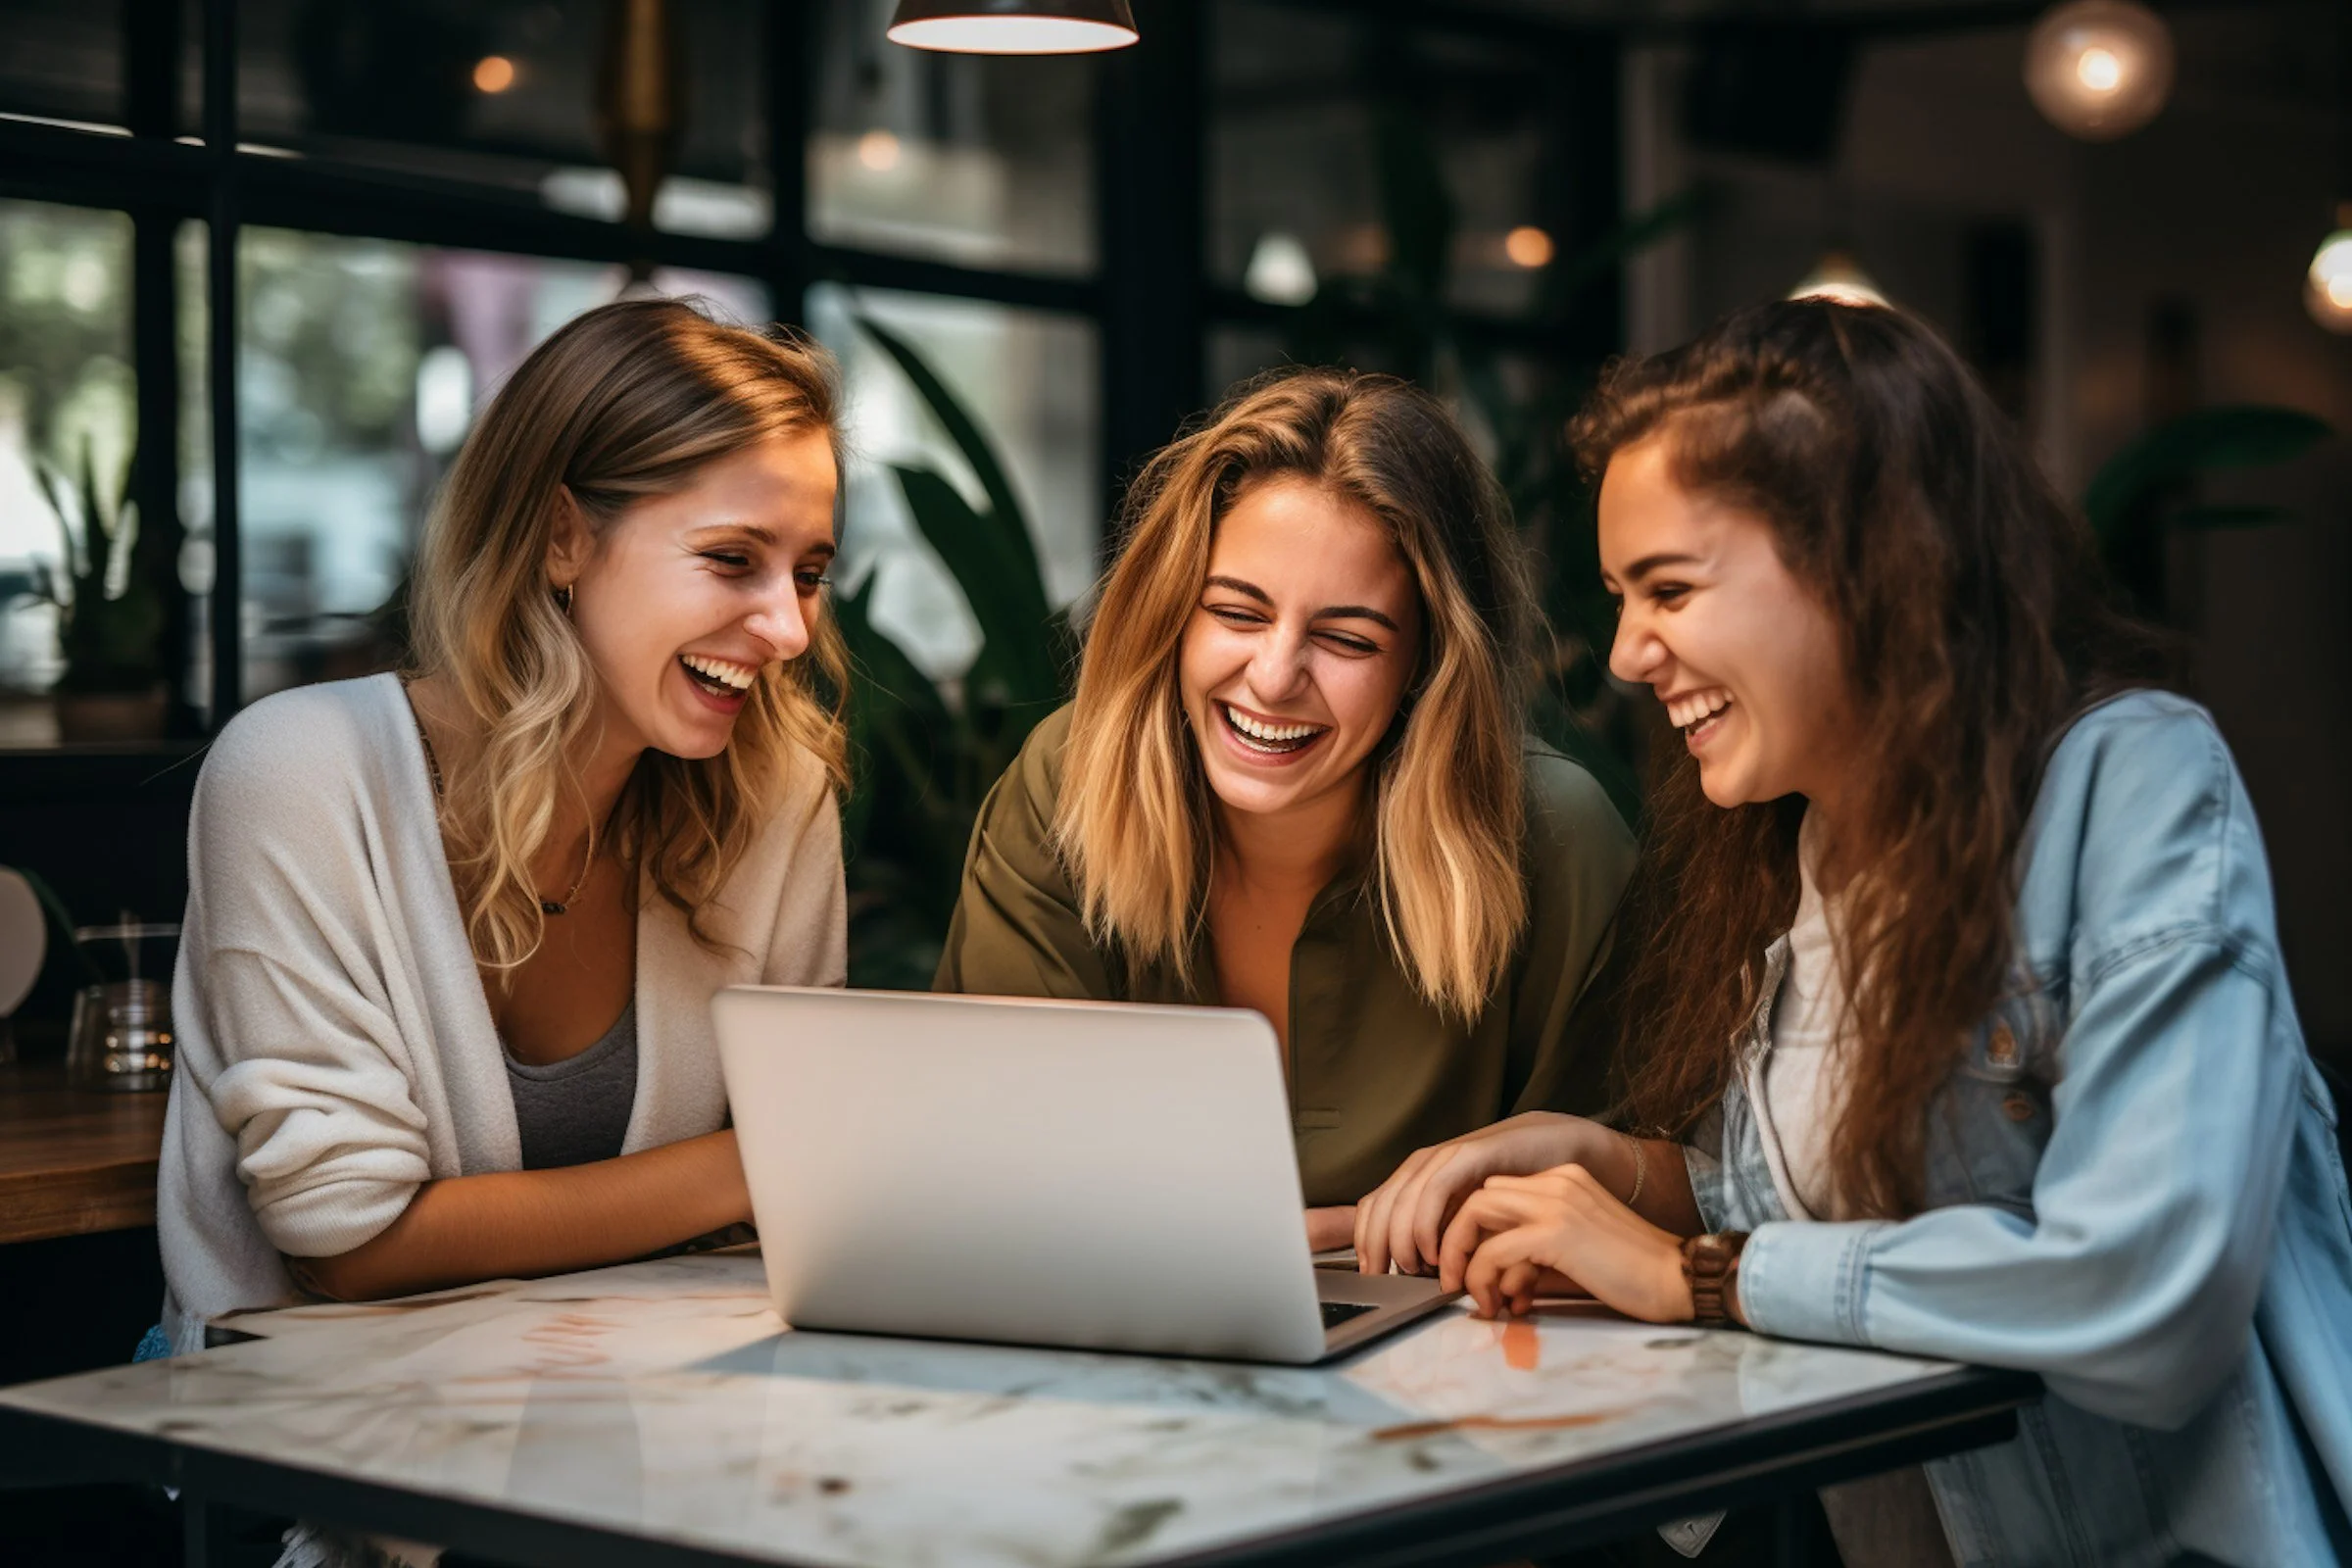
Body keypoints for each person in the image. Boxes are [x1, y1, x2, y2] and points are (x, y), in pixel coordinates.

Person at [1364, 300, 2352, 1565]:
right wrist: (1623, 1174)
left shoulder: (2135, 779)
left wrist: (1702, 1275)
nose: (1624, 653)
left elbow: (2144, 1292)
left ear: (1869, 560)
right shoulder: (1809, 835)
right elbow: (1841, 1200)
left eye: (1667, 588)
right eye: (1619, 596)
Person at [155, 298, 851, 1354]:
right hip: (316, 1440)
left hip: (648, 1412)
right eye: (730, 559)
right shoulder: (302, 769)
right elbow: (346, 1241)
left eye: (808, 573)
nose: (790, 628)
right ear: (562, 536)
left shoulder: (776, 795)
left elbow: (821, 1183)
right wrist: (743, 1168)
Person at [936, 368, 1637, 1252]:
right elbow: (1002, 1155)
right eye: (1236, 612)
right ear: (1171, 615)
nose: (1273, 677)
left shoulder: (1554, 837)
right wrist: (1356, 1228)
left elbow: (1621, 1189)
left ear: (1428, 664)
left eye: (1347, 639)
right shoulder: (1070, 781)